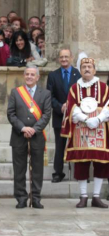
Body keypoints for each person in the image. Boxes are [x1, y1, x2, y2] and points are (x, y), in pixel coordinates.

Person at [61, 58, 109, 208]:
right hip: (80, 131)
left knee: (101, 163)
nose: (87, 69)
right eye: (84, 67)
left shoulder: (104, 87)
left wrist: (99, 118)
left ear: (94, 70)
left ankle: (96, 196)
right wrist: (87, 119)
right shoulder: (74, 88)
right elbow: (72, 109)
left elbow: (108, 106)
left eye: (89, 66)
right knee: (81, 164)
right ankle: (83, 196)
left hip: (100, 130)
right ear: (80, 70)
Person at [7, 66, 51, 209]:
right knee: (19, 169)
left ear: (37, 77)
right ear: (24, 76)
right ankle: (21, 197)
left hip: (37, 136)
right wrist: (23, 128)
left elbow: (46, 115)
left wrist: (34, 129)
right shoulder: (16, 92)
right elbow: (11, 114)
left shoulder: (45, 93)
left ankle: (36, 197)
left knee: (37, 169)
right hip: (19, 136)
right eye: (27, 74)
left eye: (33, 75)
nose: (30, 77)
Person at [46, 48, 80, 183]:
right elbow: (49, 95)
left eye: (66, 57)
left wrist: (73, 106)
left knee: (77, 144)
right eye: (61, 57)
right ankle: (58, 172)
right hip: (59, 116)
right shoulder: (53, 75)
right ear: (58, 59)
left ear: (71, 58)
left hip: (77, 116)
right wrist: (60, 106)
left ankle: (79, 173)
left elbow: (82, 94)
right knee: (60, 145)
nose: (64, 59)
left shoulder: (78, 74)